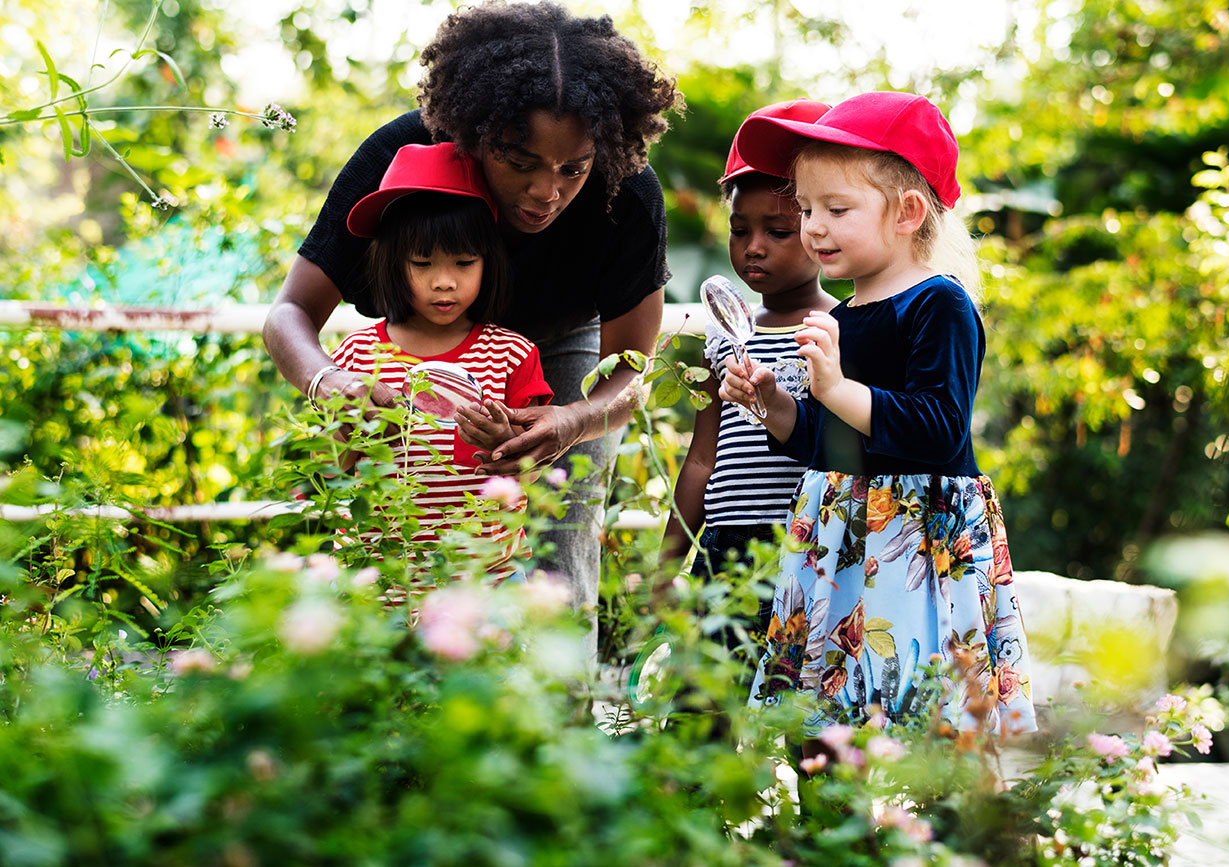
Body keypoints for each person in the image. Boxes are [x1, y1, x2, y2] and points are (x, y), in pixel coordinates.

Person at [263, 2, 680, 649]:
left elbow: (631, 370)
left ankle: (552, 719)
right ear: (476, 134)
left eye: (573, 168)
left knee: (560, 533)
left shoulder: (627, 189)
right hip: (415, 352)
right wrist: (329, 384)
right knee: (399, 527)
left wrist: (570, 420)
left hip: (563, 349)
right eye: (522, 162)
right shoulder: (403, 151)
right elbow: (290, 314)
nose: (548, 191)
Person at [718, 91, 1037, 746]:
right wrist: (775, 403)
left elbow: (936, 428)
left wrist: (834, 386)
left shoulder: (938, 304)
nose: (814, 227)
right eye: (807, 209)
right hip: (840, 527)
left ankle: (947, 837)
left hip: (918, 536)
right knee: (825, 710)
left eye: (837, 209)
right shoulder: (835, 317)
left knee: (932, 703)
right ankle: (828, 831)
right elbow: (822, 437)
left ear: (907, 212)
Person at [326, 142, 553, 585]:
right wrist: (354, 435)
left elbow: (535, 464)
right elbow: (331, 467)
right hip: (379, 579)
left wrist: (503, 439)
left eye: (464, 263)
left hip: (484, 578)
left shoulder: (511, 354)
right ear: (393, 264)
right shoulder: (354, 357)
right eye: (422, 263)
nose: (444, 281)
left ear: (489, 262)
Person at [659, 99, 838, 655]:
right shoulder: (722, 333)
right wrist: (667, 562)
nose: (753, 246)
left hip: (807, 548)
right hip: (723, 550)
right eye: (740, 229)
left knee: (798, 713)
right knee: (701, 708)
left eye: (777, 231)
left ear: (817, 226)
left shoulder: (841, 327)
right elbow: (702, 456)